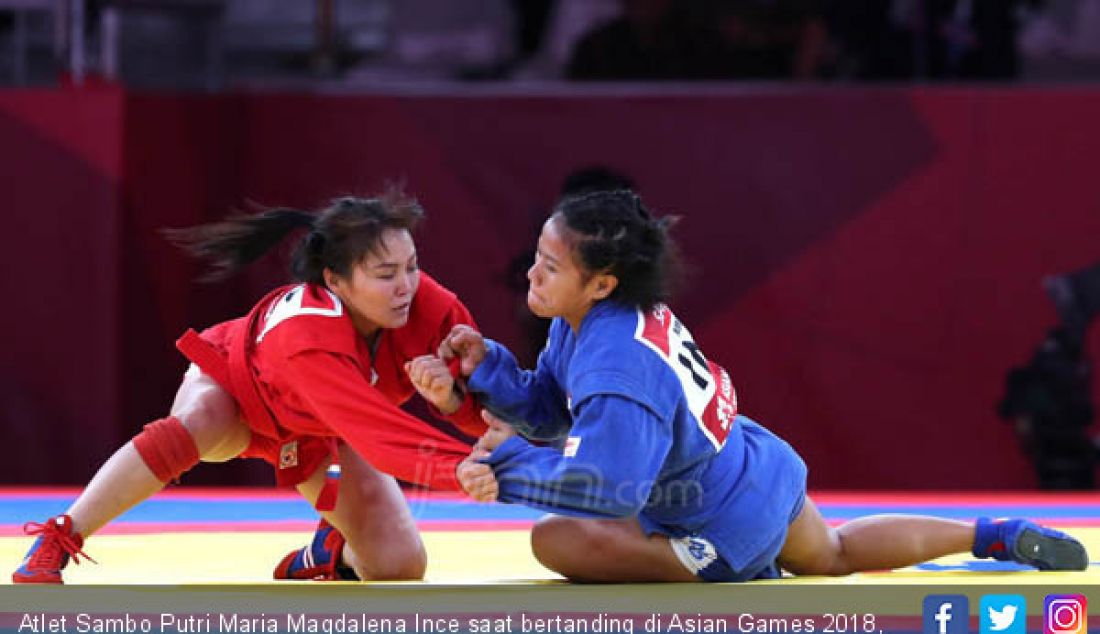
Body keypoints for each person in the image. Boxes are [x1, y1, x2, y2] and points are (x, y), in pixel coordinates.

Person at [432, 189, 1089, 582]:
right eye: (537, 260)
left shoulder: (614, 362)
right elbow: (551, 411)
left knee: (554, 538)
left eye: (549, 267)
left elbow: (610, 488)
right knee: (831, 552)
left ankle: (734, 567)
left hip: (715, 517)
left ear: (602, 281)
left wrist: (507, 472)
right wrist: (487, 369)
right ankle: (991, 535)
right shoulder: (601, 321)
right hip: (756, 465)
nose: (532, 277)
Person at [13, 190, 496, 584]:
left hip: (318, 430)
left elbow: (482, 404)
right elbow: (378, 435)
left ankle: (326, 553)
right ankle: (61, 535)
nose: (406, 287)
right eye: (386, 274)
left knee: (399, 566)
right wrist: (467, 470)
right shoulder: (308, 336)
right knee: (196, 424)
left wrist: (459, 407)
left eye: (412, 266)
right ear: (335, 281)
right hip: (238, 396)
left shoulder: (431, 307)